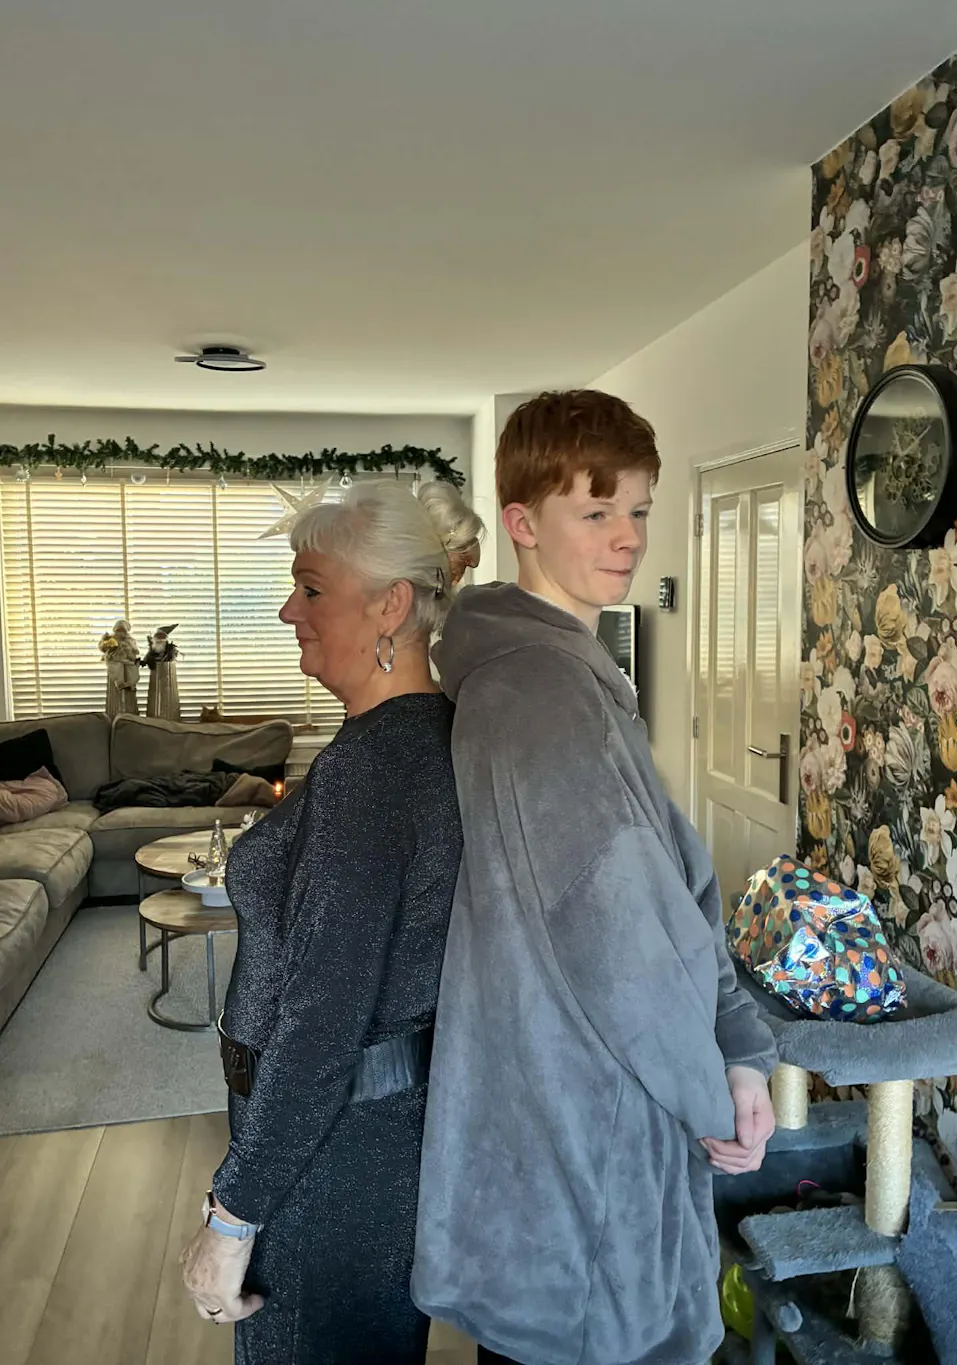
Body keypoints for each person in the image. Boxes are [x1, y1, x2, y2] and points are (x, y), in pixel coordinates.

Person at [412, 391, 779, 1365]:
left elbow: (659, 888)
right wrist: (716, 1088)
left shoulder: (554, 671)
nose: (628, 537)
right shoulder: (538, 694)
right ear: (523, 523)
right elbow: (621, 942)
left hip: (558, 1131)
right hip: (584, 1141)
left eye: (639, 509)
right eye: (596, 510)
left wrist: (736, 1040)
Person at [180, 478, 483, 1365]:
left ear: (391, 605)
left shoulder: (371, 770)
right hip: (372, 1144)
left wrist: (233, 1216)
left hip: (329, 1163)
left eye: (311, 589)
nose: (288, 610)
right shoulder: (425, 735)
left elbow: (320, 1022)